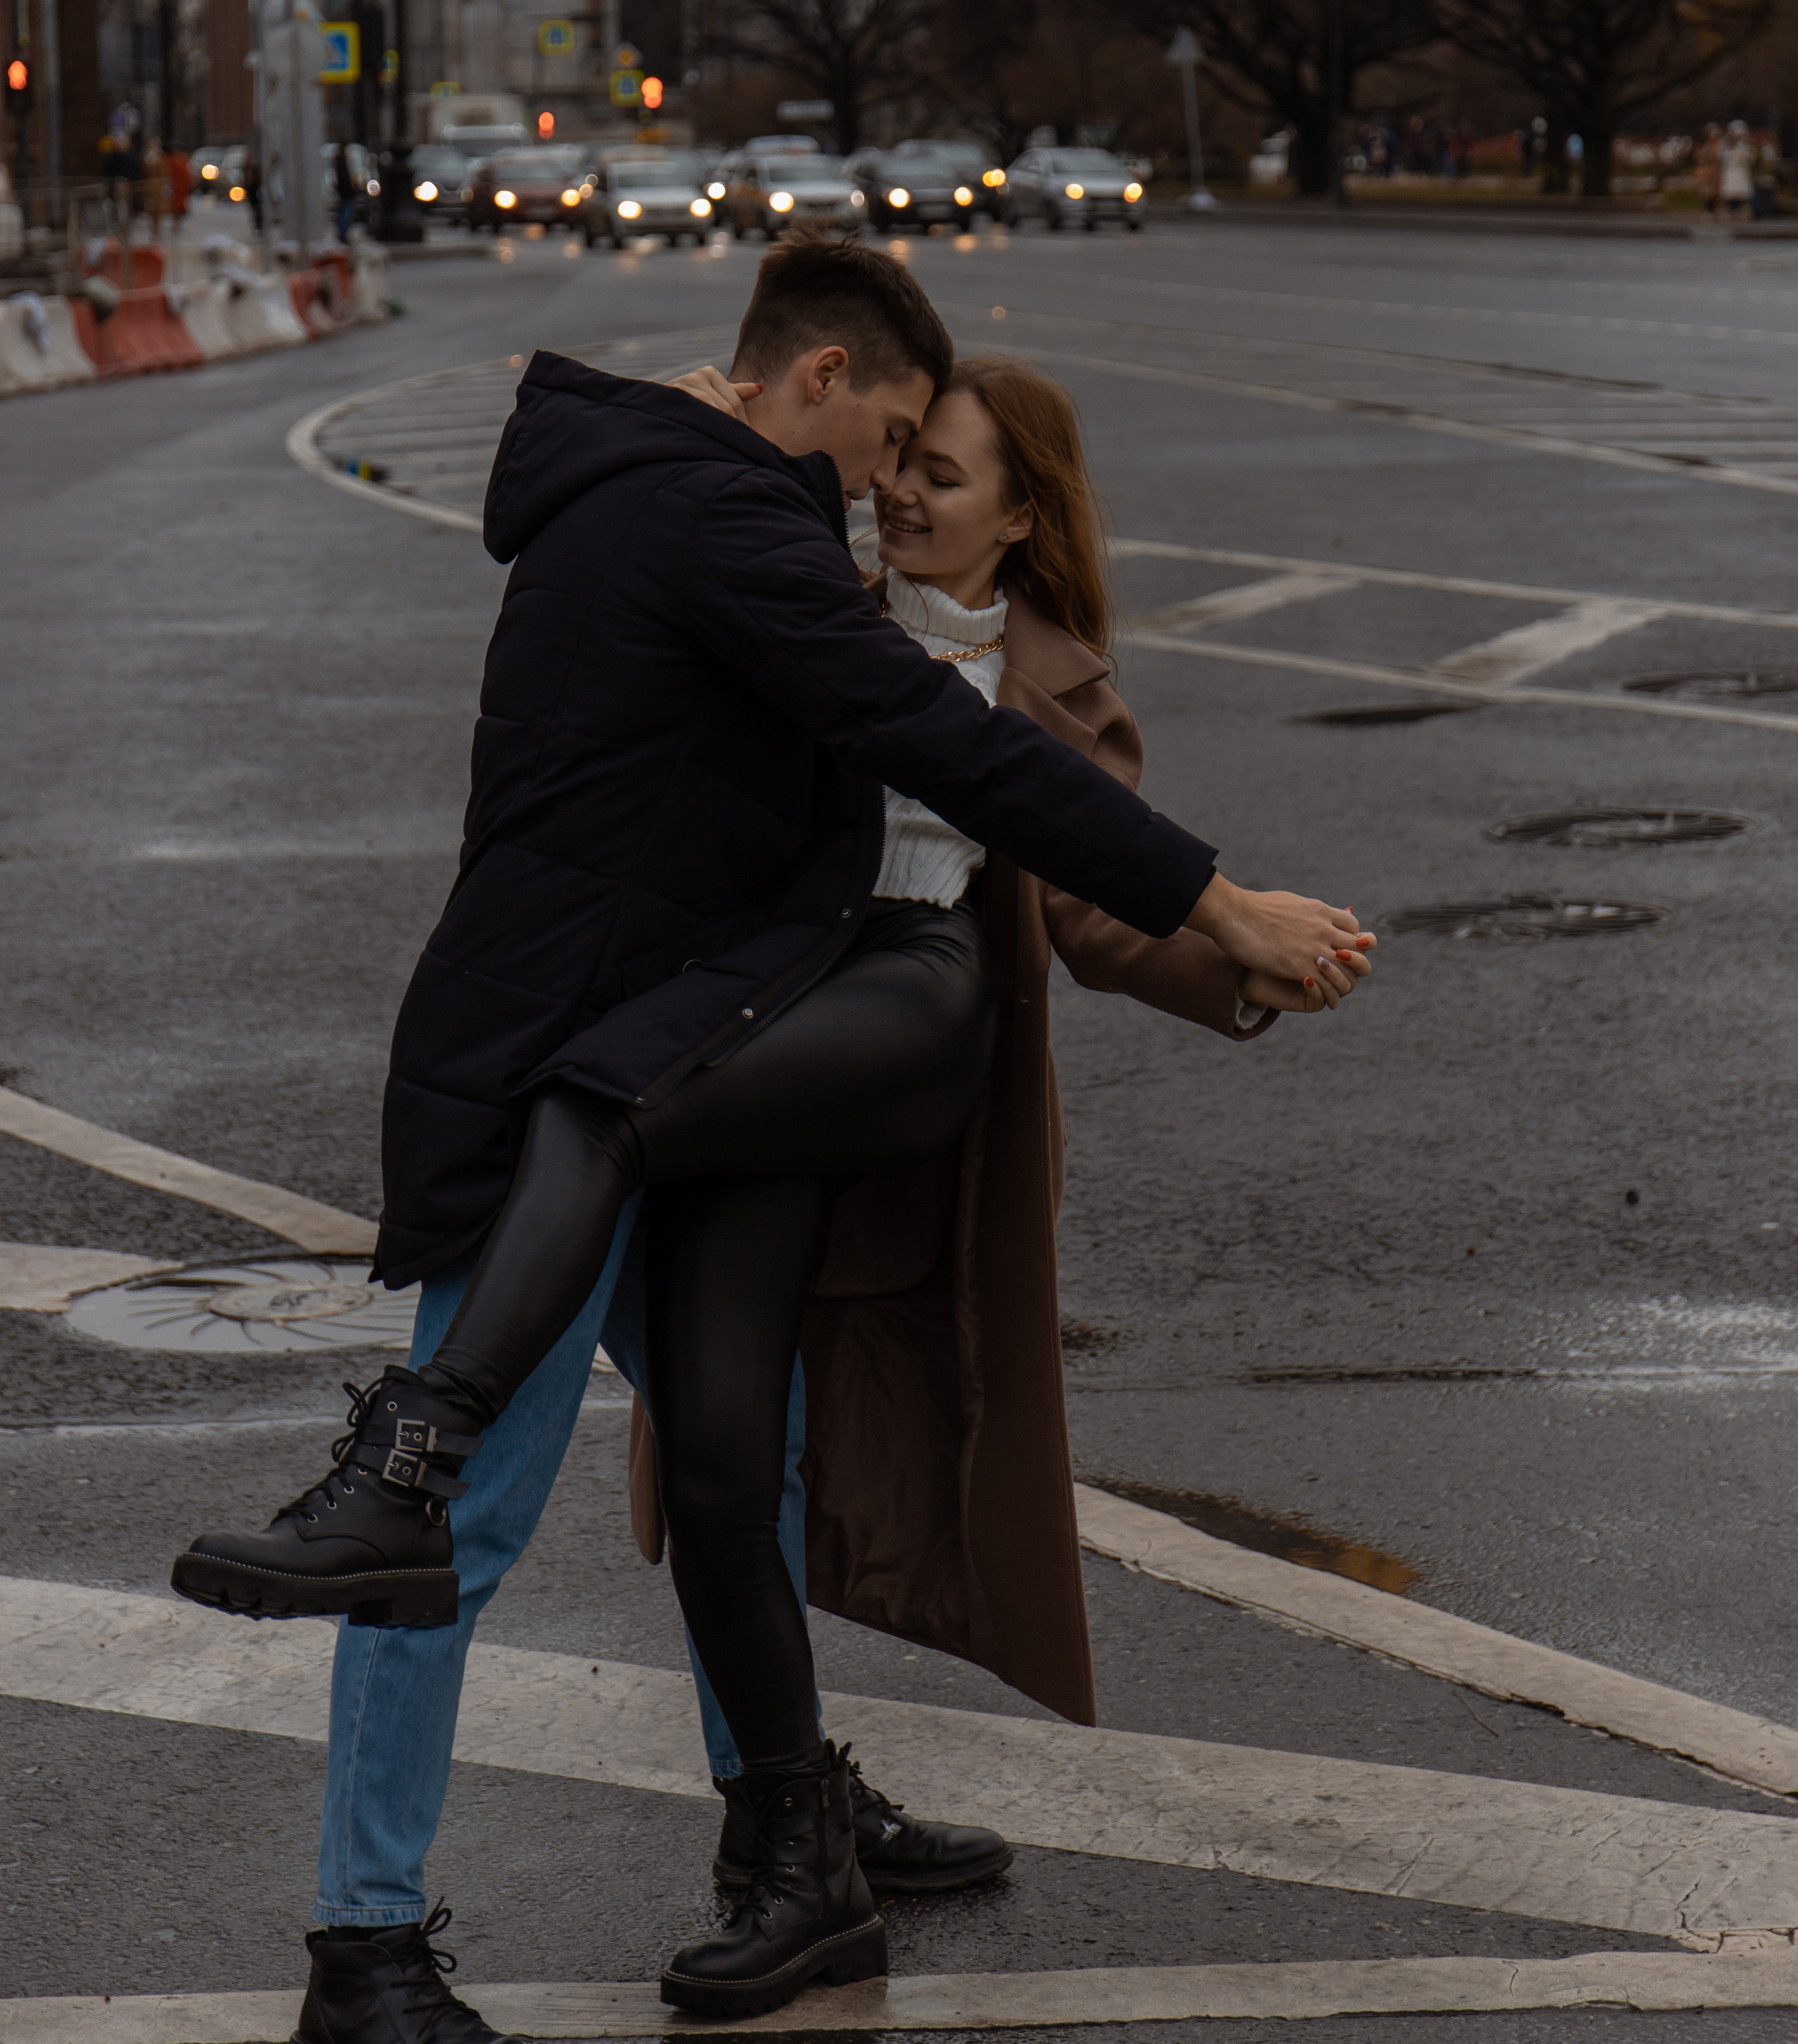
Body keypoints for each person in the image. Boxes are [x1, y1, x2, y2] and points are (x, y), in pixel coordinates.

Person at [173, 235, 1369, 2026]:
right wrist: (1220, 902)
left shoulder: (699, 483)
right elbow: (921, 735)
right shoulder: (723, 519)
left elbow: (952, 764)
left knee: (745, 1456)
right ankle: (362, 1944)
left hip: (686, 1054)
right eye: (886, 442)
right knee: (453, 1516)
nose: (888, 489)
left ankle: (795, 1811)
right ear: (814, 383)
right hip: (563, 1071)